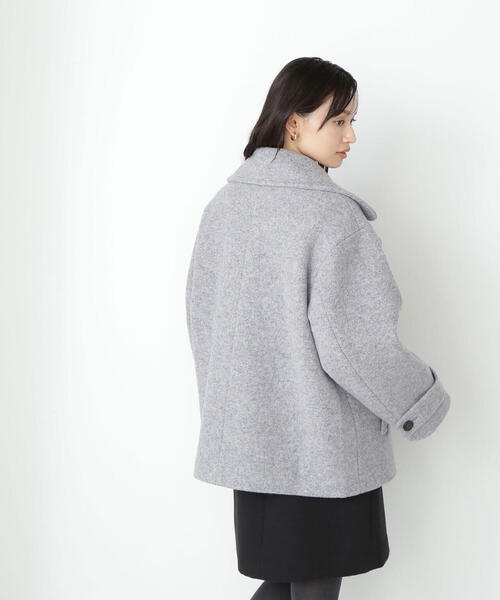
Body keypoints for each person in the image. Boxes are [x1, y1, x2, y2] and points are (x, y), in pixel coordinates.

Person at [185, 56, 451, 600]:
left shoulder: (224, 207)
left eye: (353, 121)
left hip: (254, 448)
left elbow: (202, 319)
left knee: (284, 582)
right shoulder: (331, 217)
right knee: (308, 587)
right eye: (339, 121)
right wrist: (422, 403)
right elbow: (355, 346)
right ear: (293, 123)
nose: (351, 136)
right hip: (320, 449)